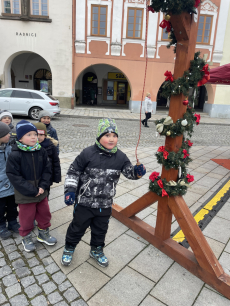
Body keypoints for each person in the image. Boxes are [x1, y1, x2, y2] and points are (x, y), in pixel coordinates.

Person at [61, 118, 146, 267]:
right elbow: (73, 171)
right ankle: (69, 247)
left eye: (114, 136)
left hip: (105, 204)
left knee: (101, 229)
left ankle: (96, 249)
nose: (111, 139)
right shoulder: (88, 153)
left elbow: (129, 173)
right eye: (107, 135)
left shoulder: (121, 157)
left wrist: (137, 172)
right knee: (77, 227)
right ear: (99, 137)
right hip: (84, 202)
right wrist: (70, 190)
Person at [6, 120, 57, 252]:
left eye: (35, 134)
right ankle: (26, 236)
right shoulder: (15, 154)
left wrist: (42, 186)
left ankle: (43, 233)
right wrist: (31, 190)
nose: (34, 137)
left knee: (44, 213)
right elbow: (14, 176)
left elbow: (47, 170)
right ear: (20, 138)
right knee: (26, 217)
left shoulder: (41, 151)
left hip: (41, 191)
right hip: (25, 194)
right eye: (29, 135)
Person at [0, 122, 20, 239]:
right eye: (6, 134)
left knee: (13, 204)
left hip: (12, 184)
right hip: (1, 185)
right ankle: (1, 225)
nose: (9, 135)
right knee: (1, 207)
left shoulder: (11, 146)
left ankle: (12, 221)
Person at [34, 122, 61, 195]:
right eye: (36, 134)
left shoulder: (50, 146)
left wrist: (56, 177)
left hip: (47, 176)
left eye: (41, 135)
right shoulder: (29, 147)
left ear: (45, 136)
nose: (38, 137)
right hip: (34, 177)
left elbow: (55, 162)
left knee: (45, 194)